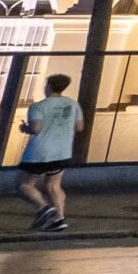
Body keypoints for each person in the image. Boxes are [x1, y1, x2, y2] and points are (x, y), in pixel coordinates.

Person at [16, 73, 82, 234]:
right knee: (54, 185)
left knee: (25, 185)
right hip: (62, 151)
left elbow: (36, 128)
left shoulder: (38, 107)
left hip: (39, 153)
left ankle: (43, 207)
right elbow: (79, 127)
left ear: (49, 86)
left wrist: (25, 128)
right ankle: (59, 219)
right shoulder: (72, 105)